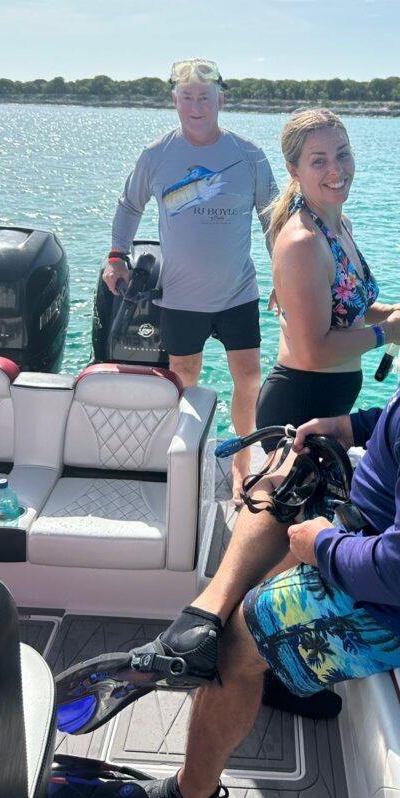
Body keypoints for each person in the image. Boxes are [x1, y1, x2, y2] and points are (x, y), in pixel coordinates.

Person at [57, 176, 400, 798]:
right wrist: (352, 426)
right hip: (377, 533)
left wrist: (319, 544)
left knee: (238, 638)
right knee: (285, 472)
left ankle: (189, 788)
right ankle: (207, 623)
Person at [105, 58, 278, 505]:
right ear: (175, 101)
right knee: (183, 377)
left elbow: (273, 221)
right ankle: (184, 460)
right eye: (187, 97)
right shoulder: (157, 154)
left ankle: (242, 465)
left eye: (204, 97)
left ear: (221, 99)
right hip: (180, 296)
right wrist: (116, 256)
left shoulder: (249, 155)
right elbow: (129, 205)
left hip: (238, 292)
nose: (196, 106)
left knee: (249, 377)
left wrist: (285, 274)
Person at [255, 109, 400, 450]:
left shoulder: (341, 225)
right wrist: (387, 332)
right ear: (294, 171)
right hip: (299, 407)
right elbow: (312, 352)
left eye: (342, 154)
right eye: (319, 161)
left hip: (330, 405)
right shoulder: (303, 244)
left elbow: (348, 308)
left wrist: (397, 311)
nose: (336, 169)